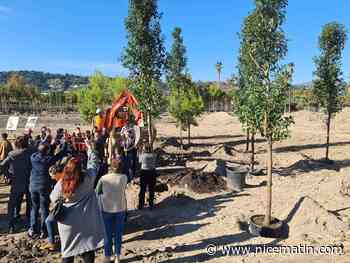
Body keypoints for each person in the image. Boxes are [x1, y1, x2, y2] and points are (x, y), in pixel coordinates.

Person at [50, 139, 104, 263]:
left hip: (68, 225)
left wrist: (65, 198)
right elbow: (94, 164)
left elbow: (53, 198)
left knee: (68, 254)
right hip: (86, 223)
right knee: (88, 251)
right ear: (80, 169)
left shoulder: (61, 183)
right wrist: (91, 149)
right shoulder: (88, 179)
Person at [28, 142, 67, 239]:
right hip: (44, 186)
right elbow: (59, 155)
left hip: (33, 185)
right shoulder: (49, 160)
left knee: (34, 207)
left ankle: (32, 228)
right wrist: (64, 144)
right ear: (47, 151)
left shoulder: (33, 158)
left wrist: (50, 144)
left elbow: (38, 150)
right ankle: (43, 230)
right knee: (44, 208)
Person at [0, 136, 34, 233]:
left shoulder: (12, 154)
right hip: (29, 181)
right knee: (30, 203)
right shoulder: (31, 152)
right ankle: (30, 222)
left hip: (16, 181)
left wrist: (8, 175)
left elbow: (2, 166)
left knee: (12, 204)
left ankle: (11, 224)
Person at [96, 158, 127, 263]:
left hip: (106, 209)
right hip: (120, 208)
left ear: (110, 167)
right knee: (118, 234)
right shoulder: (124, 177)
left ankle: (107, 256)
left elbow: (97, 192)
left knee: (107, 235)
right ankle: (117, 256)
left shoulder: (103, 178)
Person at [138, 144, 157, 210]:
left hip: (144, 172)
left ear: (145, 149)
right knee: (151, 189)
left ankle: (141, 205)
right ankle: (151, 204)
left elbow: (139, 161)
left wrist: (140, 151)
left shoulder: (142, 156)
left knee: (142, 189)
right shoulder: (154, 155)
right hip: (152, 172)